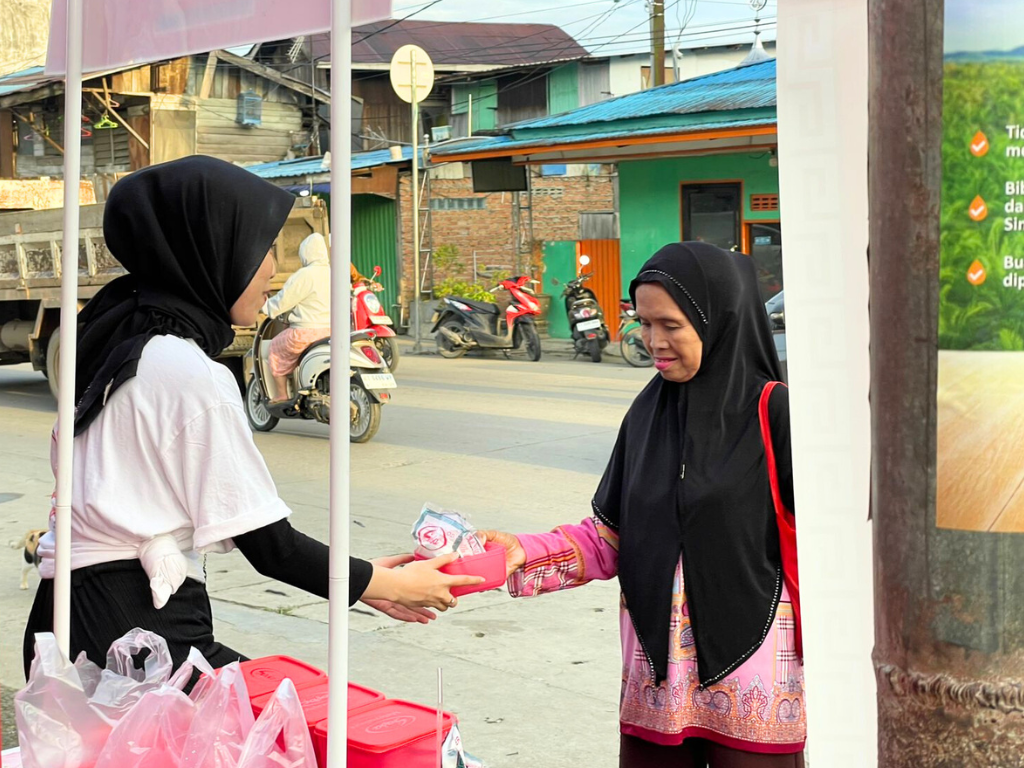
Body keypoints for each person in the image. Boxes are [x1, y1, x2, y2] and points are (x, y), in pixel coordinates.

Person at [23, 156, 481, 681]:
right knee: (309, 723)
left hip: (63, 618)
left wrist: (366, 579)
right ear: (210, 251)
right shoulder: (188, 371)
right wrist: (391, 585)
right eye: (259, 248)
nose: (271, 269)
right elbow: (270, 547)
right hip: (139, 634)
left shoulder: (119, 342)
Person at [480, 242, 804, 767]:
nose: (653, 341)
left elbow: (826, 543)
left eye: (671, 325)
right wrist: (522, 550)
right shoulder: (646, 413)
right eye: (643, 322)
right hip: (656, 672)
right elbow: (610, 537)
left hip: (754, 670)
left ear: (718, 320)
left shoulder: (774, 412)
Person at [261, 232, 332, 404]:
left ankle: (281, 394)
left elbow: (283, 301)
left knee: (275, 349)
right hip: (331, 332)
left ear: (305, 253)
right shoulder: (334, 272)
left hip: (305, 334)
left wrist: (265, 306)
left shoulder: (305, 275)